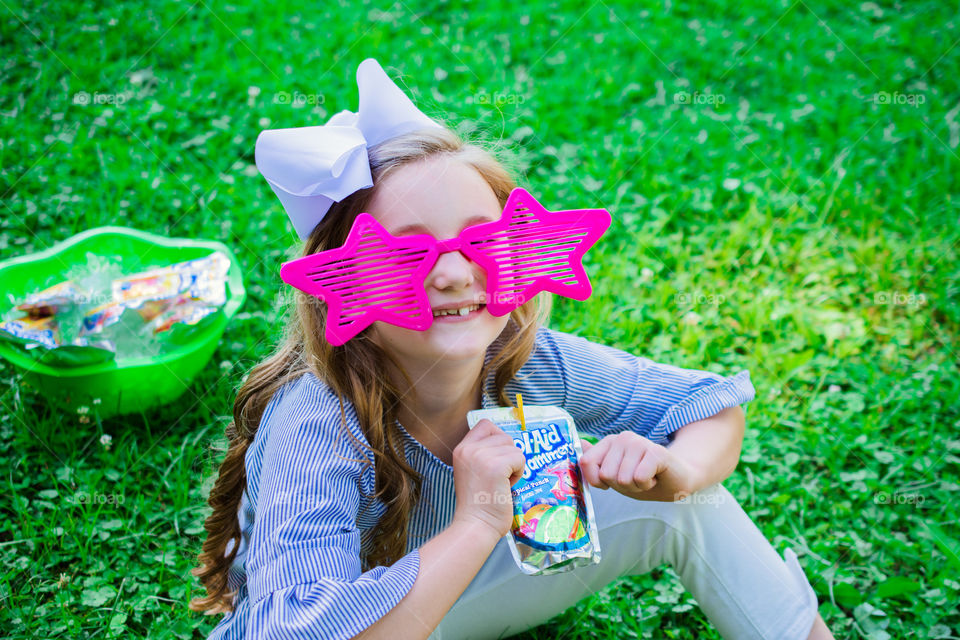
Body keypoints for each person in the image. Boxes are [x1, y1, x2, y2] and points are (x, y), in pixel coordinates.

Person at [189, 59, 835, 640]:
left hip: (456, 599)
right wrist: (477, 520)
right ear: (344, 286)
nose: (452, 272)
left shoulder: (524, 360)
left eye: (478, 241)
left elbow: (711, 403)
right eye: (409, 252)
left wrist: (676, 475)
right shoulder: (321, 424)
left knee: (696, 508)